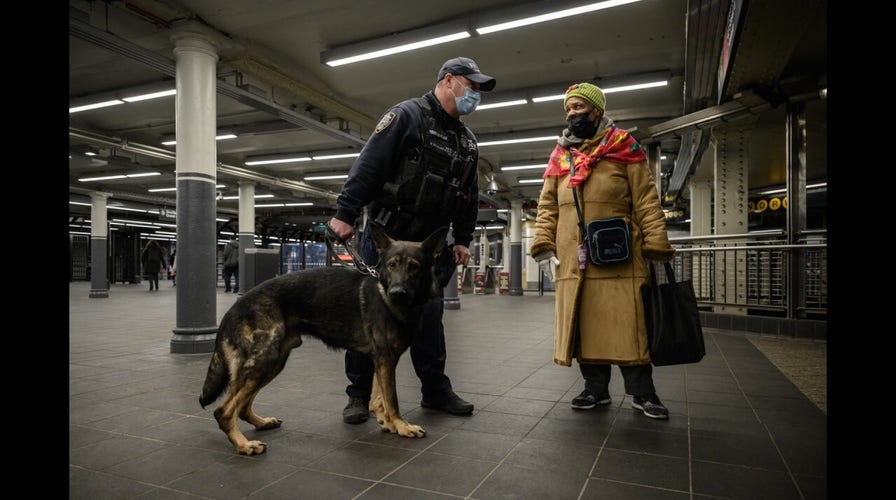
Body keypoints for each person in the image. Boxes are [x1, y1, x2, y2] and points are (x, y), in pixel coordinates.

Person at [327, 56, 496, 424]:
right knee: (367, 317)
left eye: (480, 89)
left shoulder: (467, 142)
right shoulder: (407, 115)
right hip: (388, 239)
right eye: (472, 86)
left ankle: (435, 391)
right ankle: (358, 395)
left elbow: (468, 194)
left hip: (426, 249)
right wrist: (345, 212)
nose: (476, 95)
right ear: (449, 80)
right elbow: (369, 164)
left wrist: (463, 239)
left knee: (429, 318)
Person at [529, 82, 676, 419]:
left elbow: (646, 202)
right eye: (568, 109)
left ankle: (643, 393)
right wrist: (543, 244)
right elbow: (547, 206)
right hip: (575, 259)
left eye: (579, 108)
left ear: (597, 110)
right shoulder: (561, 155)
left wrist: (656, 243)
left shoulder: (625, 148)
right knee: (586, 325)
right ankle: (595, 389)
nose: (572, 114)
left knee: (629, 325)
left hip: (620, 256)